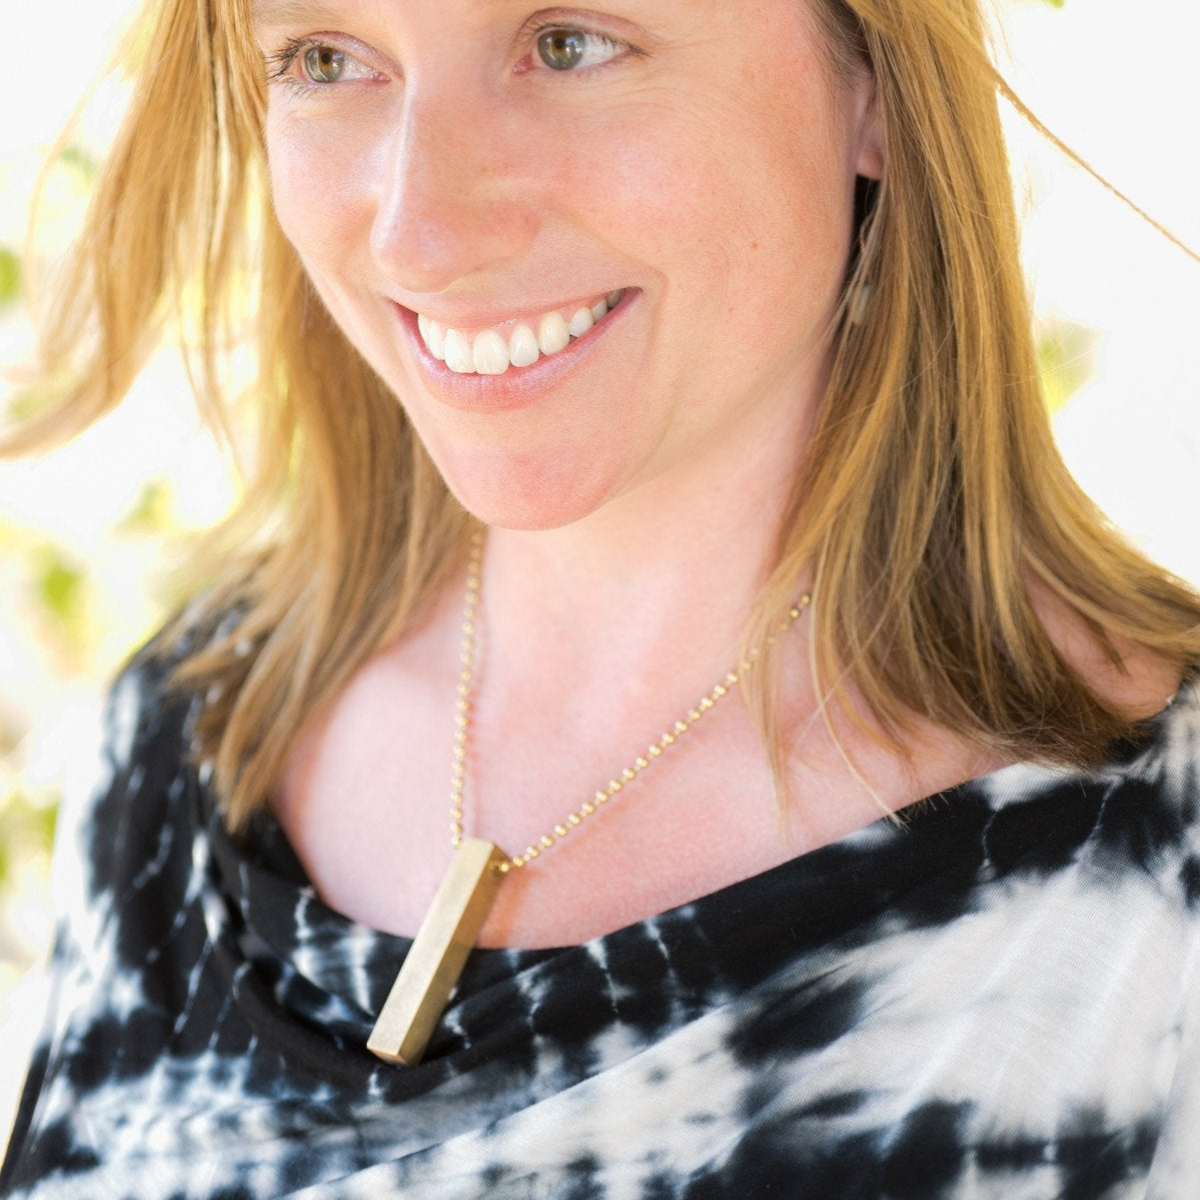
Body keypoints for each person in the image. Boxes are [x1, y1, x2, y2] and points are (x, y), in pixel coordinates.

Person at [2, 0, 1199, 1194]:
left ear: (872, 83)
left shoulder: (1161, 887)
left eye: (570, 44)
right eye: (327, 60)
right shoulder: (185, 737)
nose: (418, 235)